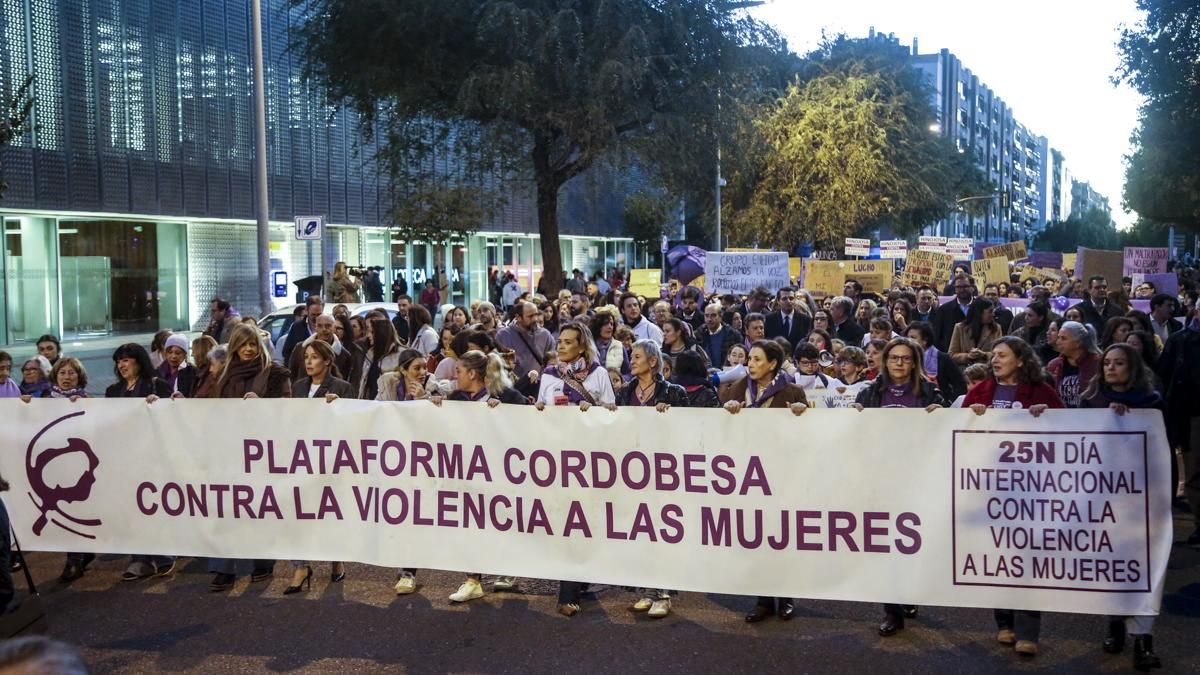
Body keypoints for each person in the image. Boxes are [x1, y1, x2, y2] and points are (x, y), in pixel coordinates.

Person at [964, 336, 1065, 658]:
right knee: (997, 555)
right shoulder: (979, 393)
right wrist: (972, 415)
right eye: (993, 355)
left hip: (1030, 491)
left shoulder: (1042, 392)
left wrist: (1045, 415)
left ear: (1021, 360)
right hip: (988, 489)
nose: (995, 360)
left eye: (1002, 355)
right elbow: (958, 432)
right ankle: (1003, 623)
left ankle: (1028, 630)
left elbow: (1066, 430)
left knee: (1027, 560)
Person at [852, 336, 943, 637]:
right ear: (885, 361)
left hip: (919, 478)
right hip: (881, 478)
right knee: (886, 545)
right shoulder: (871, 392)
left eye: (906, 358)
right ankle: (892, 611)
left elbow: (950, 425)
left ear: (915, 362)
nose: (900, 363)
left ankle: (911, 593)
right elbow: (851, 430)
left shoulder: (930, 391)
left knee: (915, 542)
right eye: (894, 358)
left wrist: (940, 414)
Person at [720, 340, 807, 623]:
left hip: (782, 475)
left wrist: (800, 414)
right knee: (757, 538)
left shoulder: (792, 391)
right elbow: (718, 428)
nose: (750, 365)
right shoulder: (737, 389)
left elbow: (808, 435)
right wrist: (728, 409)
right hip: (748, 476)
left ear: (772, 364)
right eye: (749, 359)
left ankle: (787, 597)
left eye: (757, 360)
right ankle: (763, 599)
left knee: (782, 537)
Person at [535, 323, 617, 618]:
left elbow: (612, 412)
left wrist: (590, 411)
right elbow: (539, 411)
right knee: (566, 524)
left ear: (582, 347)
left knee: (581, 523)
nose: (562, 346)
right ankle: (572, 586)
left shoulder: (598, 375)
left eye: (569, 342)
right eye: (560, 341)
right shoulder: (548, 376)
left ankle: (573, 586)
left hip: (587, 461)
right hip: (556, 461)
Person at [434, 349, 530, 603]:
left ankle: (510, 568)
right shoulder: (456, 397)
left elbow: (531, 420)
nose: (455, 377)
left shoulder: (507, 396)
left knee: (504, 522)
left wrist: (506, 414)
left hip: (503, 474)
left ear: (472, 374)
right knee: (470, 524)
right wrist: (434, 409)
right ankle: (473, 580)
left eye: (459, 372)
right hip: (468, 473)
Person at [206, 324, 291, 592]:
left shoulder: (275, 374)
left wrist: (263, 406)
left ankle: (262, 562)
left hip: (263, 454)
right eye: (242, 344)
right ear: (234, 347)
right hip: (229, 451)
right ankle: (224, 567)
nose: (248, 349)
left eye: (252, 344)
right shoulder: (223, 376)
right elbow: (210, 412)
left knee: (260, 507)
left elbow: (290, 412)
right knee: (227, 508)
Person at [615, 339, 688, 617]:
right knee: (641, 532)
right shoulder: (625, 392)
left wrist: (670, 417)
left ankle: (664, 593)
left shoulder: (673, 392)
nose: (630, 361)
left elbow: (690, 429)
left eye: (636, 356)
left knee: (663, 533)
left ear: (653, 361)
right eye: (630, 357)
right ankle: (647, 590)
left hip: (664, 473)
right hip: (633, 472)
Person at [286, 340, 354, 595]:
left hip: (331, 461)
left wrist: (339, 407)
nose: (309, 362)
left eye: (314, 357)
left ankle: (336, 559)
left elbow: (354, 422)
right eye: (306, 357)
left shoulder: (341, 387)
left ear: (327, 361)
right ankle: (301, 566)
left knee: (331, 512)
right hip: (304, 458)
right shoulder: (299, 386)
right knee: (300, 512)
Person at [103, 344, 174, 581]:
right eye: (118, 361)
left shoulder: (157, 385)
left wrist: (160, 407)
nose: (121, 365)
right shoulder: (113, 391)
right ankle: (140, 560)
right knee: (133, 510)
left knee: (155, 506)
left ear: (139, 361)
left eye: (126, 360)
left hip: (153, 457)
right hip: (125, 459)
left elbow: (174, 418)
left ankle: (164, 555)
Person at [1157, 300, 1200, 547]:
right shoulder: (1180, 340)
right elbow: (1165, 374)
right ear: (1196, 311)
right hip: (1192, 413)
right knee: (1195, 471)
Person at [904, 321, 967, 403]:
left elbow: (960, 385)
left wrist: (948, 403)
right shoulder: (904, 358)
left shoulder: (942, 358)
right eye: (907, 338)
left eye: (913, 338)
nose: (909, 341)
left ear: (925, 340)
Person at [1046, 321, 1101, 408]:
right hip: (1061, 417)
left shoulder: (1097, 363)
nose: (1058, 342)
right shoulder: (1054, 365)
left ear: (1078, 343)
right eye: (1058, 338)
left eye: (1063, 338)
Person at [497, 301, 556, 377]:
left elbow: (552, 362)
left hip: (539, 384)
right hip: (513, 385)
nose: (535, 319)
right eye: (530, 316)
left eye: (536, 315)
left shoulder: (545, 335)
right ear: (518, 317)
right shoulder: (503, 335)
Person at [357, 318, 402, 400]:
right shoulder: (370, 354)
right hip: (370, 406)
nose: (368, 335)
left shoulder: (401, 355)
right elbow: (365, 385)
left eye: (372, 332)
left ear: (382, 333)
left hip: (390, 407)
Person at [949, 298, 1002, 366]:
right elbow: (951, 355)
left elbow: (999, 353)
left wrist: (984, 355)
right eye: (990, 311)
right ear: (979, 312)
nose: (993, 314)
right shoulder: (960, 328)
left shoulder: (996, 329)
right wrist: (968, 356)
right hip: (965, 372)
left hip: (987, 372)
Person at [933, 274, 976, 352]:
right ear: (955, 289)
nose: (962, 289)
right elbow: (937, 337)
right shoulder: (943, 310)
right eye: (959, 287)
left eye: (966, 286)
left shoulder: (980, 307)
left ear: (972, 288)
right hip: (950, 356)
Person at [696, 302, 742, 368]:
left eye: (713, 315)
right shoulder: (698, 335)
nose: (709, 319)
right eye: (707, 316)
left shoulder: (733, 335)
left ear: (720, 316)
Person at [282, 295, 325, 363]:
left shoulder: (327, 328)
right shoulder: (296, 327)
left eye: (319, 314)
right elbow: (287, 352)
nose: (316, 318)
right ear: (307, 311)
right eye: (313, 315)